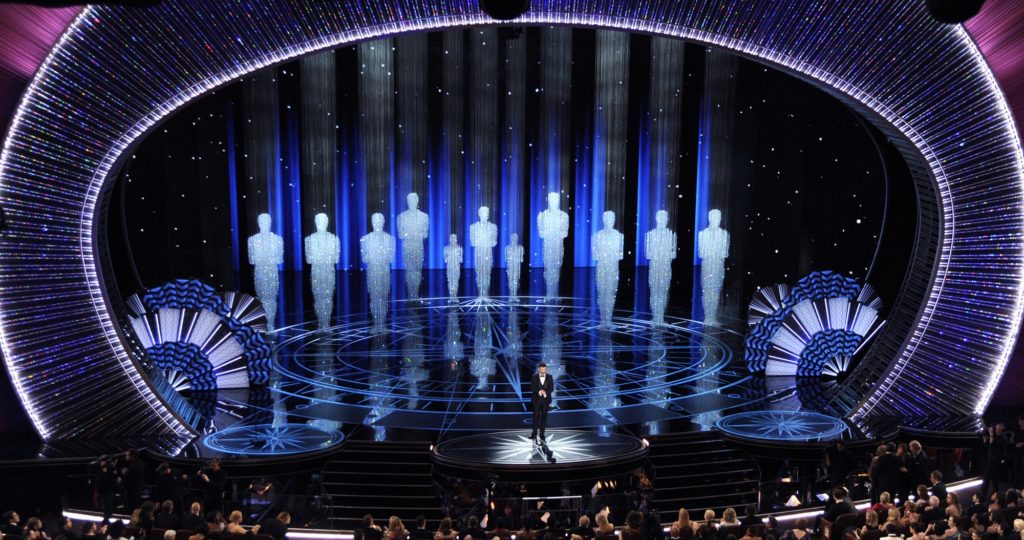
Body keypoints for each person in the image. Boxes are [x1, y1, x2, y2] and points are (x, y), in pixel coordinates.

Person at [529, 362, 554, 444]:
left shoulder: (550, 377)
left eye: (545, 369)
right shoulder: (534, 376)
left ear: (546, 369)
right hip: (536, 400)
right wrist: (539, 391)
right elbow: (532, 387)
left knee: (544, 417)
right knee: (535, 417)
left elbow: (552, 388)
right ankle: (534, 433)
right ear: (539, 369)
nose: (543, 371)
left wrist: (545, 392)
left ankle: (542, 434)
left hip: (546, 400)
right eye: (542, 369)